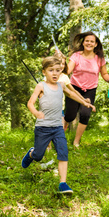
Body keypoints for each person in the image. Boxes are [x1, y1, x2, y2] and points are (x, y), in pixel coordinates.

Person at [21, 56, 94, 194]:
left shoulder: (61, 85)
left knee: (63, 152)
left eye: (57, 70)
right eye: (51, 70)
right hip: (43, 128)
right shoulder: (40, 86)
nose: (55, 73)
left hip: (57, 127)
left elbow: (72, 94)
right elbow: (30, 103)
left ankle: (63, 183)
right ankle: (32, 153)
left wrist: (84, 102)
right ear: (44, 72)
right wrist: (36, 113)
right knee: (38, 156)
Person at [64, 31, 109, 147]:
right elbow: (67, 71)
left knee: (85, 114)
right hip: (74, 88)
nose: (89, 43)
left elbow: (104, 73)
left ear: (96, 44)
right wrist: (61, 63)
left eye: (92, 41)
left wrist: (108, 80)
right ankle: (61, 132)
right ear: (83, 42)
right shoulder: (76, 56)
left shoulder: (99, 58)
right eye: (87, 41)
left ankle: (76, 142)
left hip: (90, 90)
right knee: (70, 115)